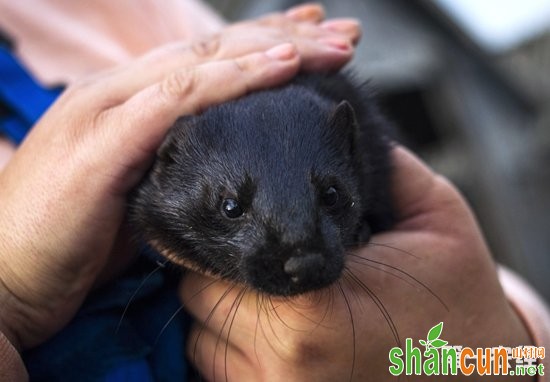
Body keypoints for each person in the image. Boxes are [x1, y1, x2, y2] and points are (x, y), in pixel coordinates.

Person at [0, 2, 548, 381]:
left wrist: (486, 353)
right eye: (233, 209)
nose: (300, 256)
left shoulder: (124, 11)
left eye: (330, 200)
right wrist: (10, 300)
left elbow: (514, 349)